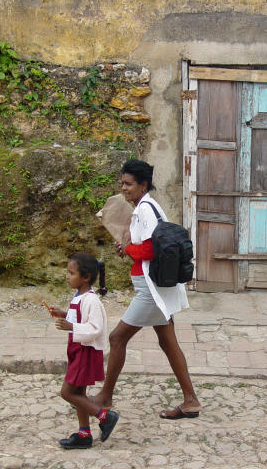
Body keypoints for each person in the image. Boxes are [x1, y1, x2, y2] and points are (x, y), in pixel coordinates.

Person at [93, 159, 202, 419]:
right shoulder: (147, 208)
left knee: (117, 338)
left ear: (143, 185)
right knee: (168, 342)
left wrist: (129, 248)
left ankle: (104, 397)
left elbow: (152, 249)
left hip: (151, 292)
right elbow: (145, 248)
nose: (124, 188)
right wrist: (129, 248)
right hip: (155, 289)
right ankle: (190, 400)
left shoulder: (144, 210)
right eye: (122, 183)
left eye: (129, 184)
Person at [49, 252, 119, 449]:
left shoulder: (91, 300)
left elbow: (95, 328)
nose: (67, 276)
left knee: (67, 392)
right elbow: (78, 318)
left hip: (85, 351)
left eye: (71, 273)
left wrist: (71, 327)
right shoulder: (79, 296)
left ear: (85, 277)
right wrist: (63, 314)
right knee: (79, 392)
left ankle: (104, 416)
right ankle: (84, 434)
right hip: (77, 349)